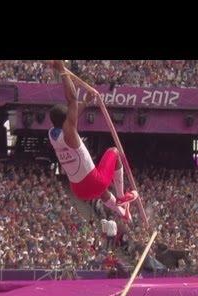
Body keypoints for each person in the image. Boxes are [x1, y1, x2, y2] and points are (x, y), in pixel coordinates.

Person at [47, 60, 138, 223]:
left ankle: (121, 212)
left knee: (102, 190)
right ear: (66, 119)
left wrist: (87, 101)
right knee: (114, 152)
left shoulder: (52, 134)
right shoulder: (69, 133)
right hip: (90, 183)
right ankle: (121, 197)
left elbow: (72, 116)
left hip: (79, 190)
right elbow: (72, 99)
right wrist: (62, 71)